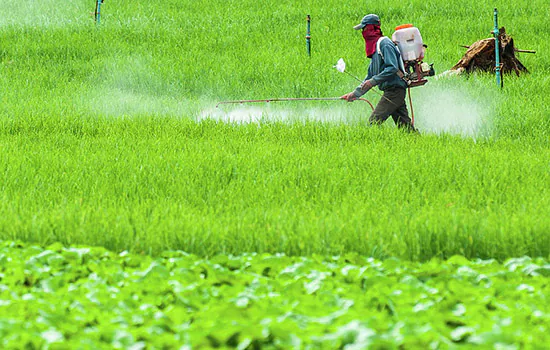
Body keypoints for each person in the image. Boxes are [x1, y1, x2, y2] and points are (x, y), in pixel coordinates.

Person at [341, 14, 416, 132]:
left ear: (371, 28)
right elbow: (370, 76)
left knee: (374, 122)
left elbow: (392, 68)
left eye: (364, 29)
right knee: (405, 127)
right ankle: (416, 142)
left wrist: (373, 82)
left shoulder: (384, 44)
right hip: (392, 91)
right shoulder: (375, 50)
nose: (363, 32)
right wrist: (355, 94)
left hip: (395, 90)